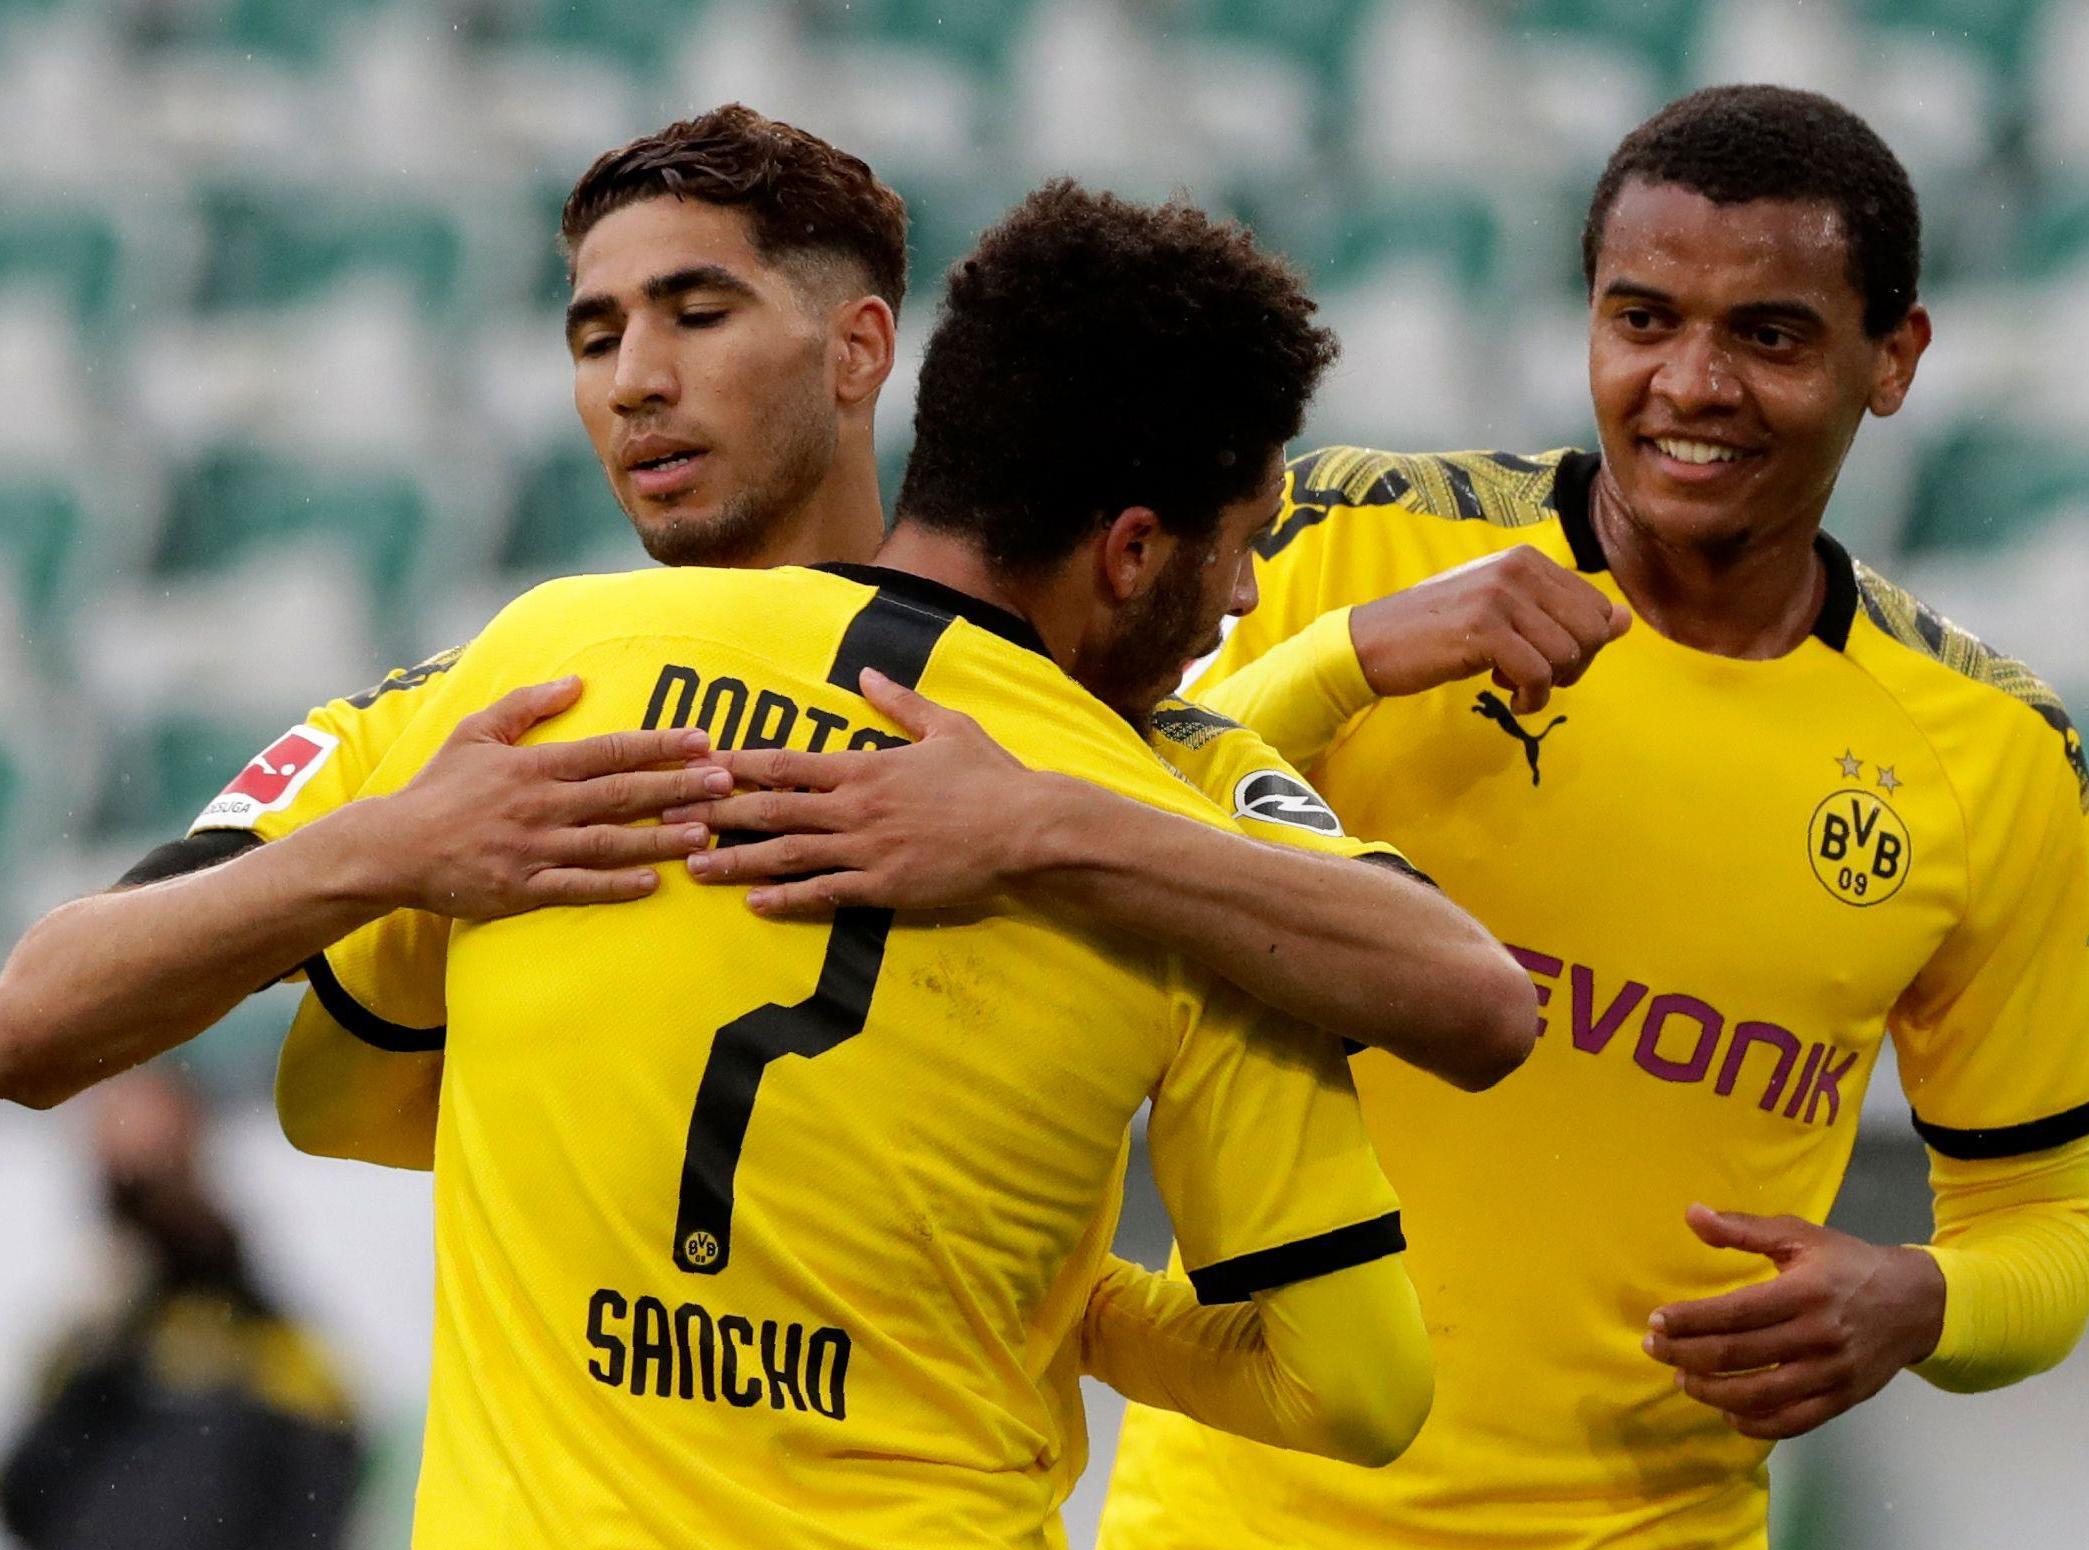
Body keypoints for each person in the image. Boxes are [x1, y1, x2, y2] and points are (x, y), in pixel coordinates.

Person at [285, 181, 1438, 1550]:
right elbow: (1359, 1387)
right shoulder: (1180, 842)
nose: (1241, 596)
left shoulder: (566, 662)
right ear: (1133, 551)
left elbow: (326, 1097)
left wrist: (590, 1138)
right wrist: (1076, 1297)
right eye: (1241, 545)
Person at [0, 105, 1530, 1134]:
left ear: (859, 347)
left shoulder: (1066, 727)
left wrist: (1038, 831)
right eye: (595, 334)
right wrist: (389, 848)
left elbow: (1468, 998)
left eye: (696, 312)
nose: (633, 380)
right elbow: (34, 1020)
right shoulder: (498, 706)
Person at [1072, 84, 2089, 1550]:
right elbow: (1076, 835)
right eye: (1643, 317)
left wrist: (1919, 1299)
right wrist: (1345, 658)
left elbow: (2043, 1225)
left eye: (1770, 334)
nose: (1692, 382)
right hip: (1236, 1529)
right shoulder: (1347, 543)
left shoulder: (1991, 754)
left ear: (1894, 357)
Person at [1, 1072, 361, 1550]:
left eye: (156, 1166)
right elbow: (27, 1495)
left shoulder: (267, 1342)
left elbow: (326, 1478)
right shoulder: (89, 1339)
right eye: (121, 1170)